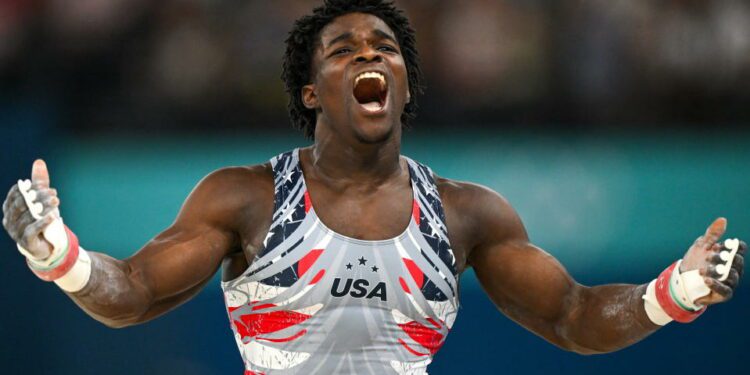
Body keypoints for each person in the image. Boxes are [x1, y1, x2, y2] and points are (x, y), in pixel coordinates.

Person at [2, 1, 745, 374]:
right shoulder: (246, 200)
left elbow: (575, 315)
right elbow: (131, 291)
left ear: (404, 85)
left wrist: (675, 290)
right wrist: (58, 252)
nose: (370, 56)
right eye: (345, 49)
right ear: (313, 90)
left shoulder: (466, 214)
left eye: (385, 48)